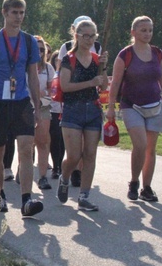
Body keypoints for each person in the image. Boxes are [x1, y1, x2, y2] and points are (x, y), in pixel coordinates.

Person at [0, 0, 43, 217]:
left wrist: (37, 104)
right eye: (14, 12)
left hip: (21, 101)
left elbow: (32, 74)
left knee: (26, 148)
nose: (19, 17)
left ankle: (26, 200)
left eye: (22, 12)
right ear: (4, 13)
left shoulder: (29, 41)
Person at [106, 16, 162, 202]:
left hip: (155, 105)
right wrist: (111, 107)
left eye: (150, 30)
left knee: (151, 149)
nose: (147, 33)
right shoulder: (125, 55)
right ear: (133, 32)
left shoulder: (158, 54)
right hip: (131, 106)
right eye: (143, 30)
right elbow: (116, 83)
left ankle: (147, 188)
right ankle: (134, 181)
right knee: (141, 144)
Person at [56, 19, 108, 211]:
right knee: (74, 156)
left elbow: (103, 87)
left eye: (92, 36)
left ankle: (84, 196)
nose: (89, 39)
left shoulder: (96, 59)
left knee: (90, 154)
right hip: (72, 109)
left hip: (93, 110)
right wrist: (90, 82)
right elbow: (65, 86)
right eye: (85, 36)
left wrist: (103, 66)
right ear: (77, 36)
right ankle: (65, 177)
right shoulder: (69, 59)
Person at [33, 36, 55, 190]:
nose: (39, 52)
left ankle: (42, 177)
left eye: (42, 49)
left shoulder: (48, 68)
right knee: (27, 143)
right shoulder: (22, 66)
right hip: (25, 107)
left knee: (42, 141)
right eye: (36, 48)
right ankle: (23, 169)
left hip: (43, 107)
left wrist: (45, 92)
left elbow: (52, 90)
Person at [46, 41, 65, 179]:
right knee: (55, 138)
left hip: (65, 110)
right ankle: (55, 166)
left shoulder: (69, 73)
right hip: (52, 109)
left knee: (62, 140)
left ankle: (59, 165)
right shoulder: (52, 73)